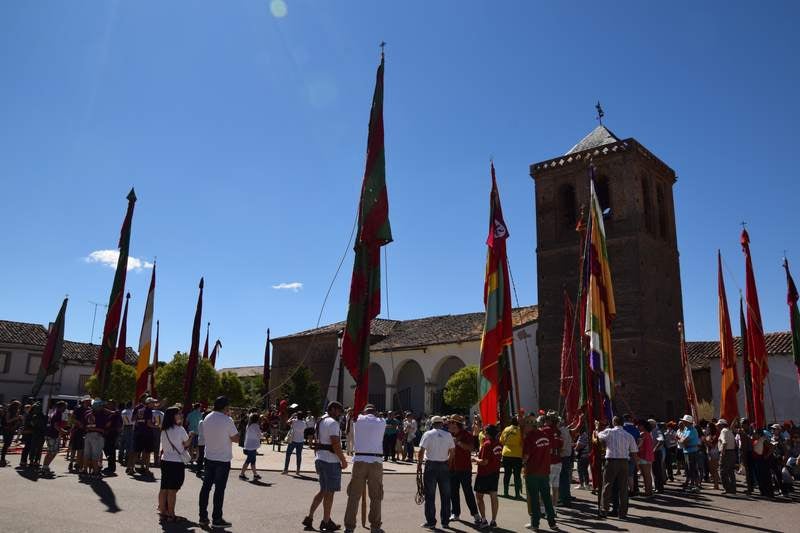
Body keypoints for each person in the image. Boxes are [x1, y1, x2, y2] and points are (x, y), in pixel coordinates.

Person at [303, 401, 348, 532]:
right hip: (330, 460)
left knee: (323, 490)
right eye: (339, 410)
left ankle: (310, 517)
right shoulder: (333, 423)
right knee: (329, 492)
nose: (340, 413)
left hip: (321, 458)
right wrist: (343, 460)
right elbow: (335, 443)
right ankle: (326, 521)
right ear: (333, 409)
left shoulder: (320, 420)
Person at [343, 404, 386, 533]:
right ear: (375, 412)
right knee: (376, 496)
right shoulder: (381, 422)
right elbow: (380, 417)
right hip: (376, 461)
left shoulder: (357, 420)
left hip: (360, 460)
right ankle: (375, 526)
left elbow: (355, 414)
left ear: (364, 412)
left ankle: (349, 527)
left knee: (353, 496)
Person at [198, 396, 239, 527]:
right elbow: (236, 439)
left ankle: (203, 517)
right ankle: (217, 518)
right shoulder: (228, 420)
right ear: (225, 407)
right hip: (222, 459)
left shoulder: (207, 417)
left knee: (206, 488)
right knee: (219, 490)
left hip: (209, 457)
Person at [596, 416, 639, 519]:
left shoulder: (609, 432)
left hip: (612, 461)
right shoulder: (628, 435)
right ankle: (623, 512)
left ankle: (604, 510)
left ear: (614, 422)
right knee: (623, 488)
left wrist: (597, 427)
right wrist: (636, 466)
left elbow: (599, 436)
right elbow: (634, 452)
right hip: (624, 462)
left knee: (607, 486)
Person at [522, 416, 560, 530]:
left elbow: (526, 457)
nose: (524, 428)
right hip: (544, 471)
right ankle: (552, 522)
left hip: (533, 472)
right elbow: (552, 449)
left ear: (530, 426)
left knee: (534, 499)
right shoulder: (545, 436)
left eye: (525, 426)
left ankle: (535, 524)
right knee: (546, 498)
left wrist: (522, 462)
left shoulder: (529, 438)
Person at [418, 415, 455, 530]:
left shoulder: (428, 434)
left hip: (431, 465)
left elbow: (421, 451)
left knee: (430, 495)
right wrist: (448, 463)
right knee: (446, 495)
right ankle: (445, 521)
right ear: (441, 424)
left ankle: (431, 522)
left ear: (432, 424)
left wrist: (419, 465)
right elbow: (452, 452)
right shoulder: (448, 434)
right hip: (443, 465)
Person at [159, 406, 193, 523]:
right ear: (173, 416)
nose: (180, 415)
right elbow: (186, 444)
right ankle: (171, 514)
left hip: (165, 460)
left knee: (164, 488)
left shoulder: (164, 429)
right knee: (173, 489)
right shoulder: (180, 429)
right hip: (176, 462)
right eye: (178, 413)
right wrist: (192, 435)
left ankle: (162, 511)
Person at [447, 415, 481, 524]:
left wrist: (458, 443)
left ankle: (475, 515)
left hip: (464, 468)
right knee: (453, 492)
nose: (449, 425)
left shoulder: (467, 434)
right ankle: (455, 513)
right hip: (452, 468)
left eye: (451, 423)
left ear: (457, 424)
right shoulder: (448, 435)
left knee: (468, 492)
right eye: (449, 423)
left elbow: (471, 448)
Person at [473, 424, 502, 529]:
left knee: (479, 496)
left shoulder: (487, 444)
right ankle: (493, 521)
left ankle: (484, 520)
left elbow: (484, 462)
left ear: (487, 433)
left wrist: (475, 459)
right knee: (493, 496)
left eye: (485, 431)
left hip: (484, 474)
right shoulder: (499, 444)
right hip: (495, 473)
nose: (483, 432)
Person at [128, 397, 157, 475]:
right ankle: (146, 469)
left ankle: (131, 469)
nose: (154, 404)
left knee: (136, 452)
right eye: (153, 403)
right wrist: (157, 426)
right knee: (147, 452)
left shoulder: (140, 410)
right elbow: (149, 423)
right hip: (147, 434)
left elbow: (134, 420)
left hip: (138, 433)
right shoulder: (149, 411)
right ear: (149, 403)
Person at [500, 416, 524, 499]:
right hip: (517, 454)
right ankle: (517, 494)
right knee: (517, 475)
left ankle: (505, 493)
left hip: (506, 453)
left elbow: (501, 441)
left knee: (507, 474)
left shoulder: (506, 429)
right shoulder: (520, 430)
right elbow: (522, 442)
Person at [42, 401, 68, 474]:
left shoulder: (54, 412)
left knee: (51, 451)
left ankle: (45, 466)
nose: (65, 408)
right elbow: (56, 426)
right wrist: (63, 431)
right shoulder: (58, 414)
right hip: (52, 435)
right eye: (65, 407)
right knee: (52, 452)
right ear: (61, 407)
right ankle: (45, 467)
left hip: (50, 434)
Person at [83, 399, 106, 478]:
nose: (103, 407)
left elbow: (85, 426)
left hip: (88, 435)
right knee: (95, 455)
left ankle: (84, 470)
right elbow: (102, 428)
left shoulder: (87, 414)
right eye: (101, 406)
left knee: (87, 454)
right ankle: (95, 472)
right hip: (97, 435)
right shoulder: (101, 415)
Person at [678, 415, 701, 492]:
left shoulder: (692, 430)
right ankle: (692, 485)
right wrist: (682, 440)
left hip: (692, 451)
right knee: (689, 469)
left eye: (684, 421)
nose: (683, 422)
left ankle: (696, 486)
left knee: (693, 468)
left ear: (688, 422)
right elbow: (682, 440)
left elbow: (684, 440)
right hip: (687, 451)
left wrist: (681, 440)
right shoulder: (686, 429)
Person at [239, 413, 263, 481]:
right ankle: (241, 474)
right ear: (257, 419)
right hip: (252, 446)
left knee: (252, 461)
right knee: (249, 460)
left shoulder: (249, 425)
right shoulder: (255, 425)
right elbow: (259, 435)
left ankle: (255, 474)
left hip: (249, 445)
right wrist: (263, 434)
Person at [284, 411, 307, 475]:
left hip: (293, 440)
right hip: (301, 441)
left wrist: (292, 416)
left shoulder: (294, 421)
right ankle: (298, 470)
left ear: (297, 416)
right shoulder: (304, 423)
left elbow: (287, 422)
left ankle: (286, 470)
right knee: (299, 456)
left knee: (288, 454)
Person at [717, 419, 737, 494]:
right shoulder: (729, 431)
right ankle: (733, 488)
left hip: (726, 453)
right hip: (731, 452)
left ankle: (727, 488)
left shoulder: (723, 431)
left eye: (719, 425)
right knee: (731, 472)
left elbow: (724, 442)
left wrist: (722, 453)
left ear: (721, 425)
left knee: (723, 472)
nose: (718, 427)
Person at [1, 400, 22, 467]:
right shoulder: (9, 412)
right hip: (6, 430)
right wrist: (16, 418)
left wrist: (18, 419)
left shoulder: (16, 412)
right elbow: (7, 421)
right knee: (6, 444)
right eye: (18, 406)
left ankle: (3, 458)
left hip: (11, 430)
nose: (19, 408)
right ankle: (2, 459)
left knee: (8, 444)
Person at [102, 400, 122, 474]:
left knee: (110, 450)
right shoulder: (108, 413)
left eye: (110, 404)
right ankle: (110, 465)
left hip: (112, 433)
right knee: (107, 449)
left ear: (114, 405)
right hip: (107, 433)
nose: (108, 405)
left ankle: (112, 467)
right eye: (108, 404)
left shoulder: (116, 412)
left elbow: (110, 423)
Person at [558, 418, 574, 506]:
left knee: (562, 479)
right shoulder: (566, 430)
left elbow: (562, 446)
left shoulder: (561, 431)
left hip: (563, 456)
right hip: (566, 456)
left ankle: (563, 499)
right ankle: (566, 497)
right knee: (565, 478)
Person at [636, 420, 654, 498]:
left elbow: (639, 445)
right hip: (649, 456)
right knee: (648, 475)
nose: (637, 427)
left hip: (643, 456)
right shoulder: (648, 434)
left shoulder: (642, 434)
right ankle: (649, 490)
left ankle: (648, 491)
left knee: (645, 475)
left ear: (642, 426)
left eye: (638, 425)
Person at [119, 401, 134, 466]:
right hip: (130, 427)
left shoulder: (123, 411)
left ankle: (120, 457)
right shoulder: (132, 411)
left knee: (122, 443)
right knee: (129, 444)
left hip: (124, 426)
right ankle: (127, 458)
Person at [152, 401, 164, 467]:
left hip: (150, 429)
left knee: (149, 445)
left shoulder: (151, 412)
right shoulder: (162, 413)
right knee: (157, 446)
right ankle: (155, 461)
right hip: (158, 429)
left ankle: (145, 461)